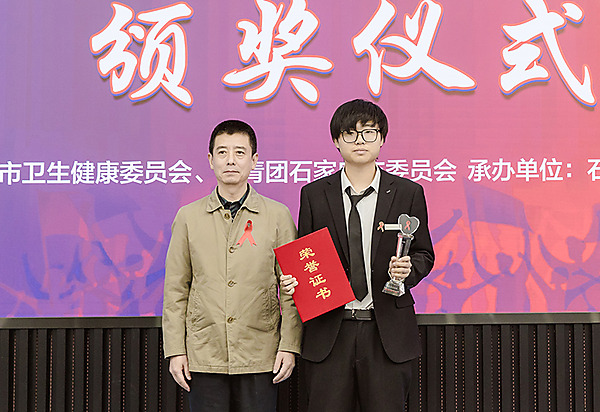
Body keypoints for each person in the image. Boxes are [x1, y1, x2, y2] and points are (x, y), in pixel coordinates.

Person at [281, 99, 435, 411]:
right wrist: (293, 282)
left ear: (382, 139)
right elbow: (305, 257)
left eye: (369, 133)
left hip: (386, 331)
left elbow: (424, 253)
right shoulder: (314, 195)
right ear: (336, 141)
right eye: (350, 134)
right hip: (330, 332)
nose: (360, 141)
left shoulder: (408, 192)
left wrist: (409, 269)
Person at [163, 120, 302, 412]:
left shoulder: (278, 216)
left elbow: (292, 290)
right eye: (222, 152)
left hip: (260, 351)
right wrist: (176, 350)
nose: (230, 160)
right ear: (210, 159)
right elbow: (175, 290)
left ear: (254, 160)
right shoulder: (188, 217)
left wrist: (289, 345)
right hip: (204, 352)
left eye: (240, 152)